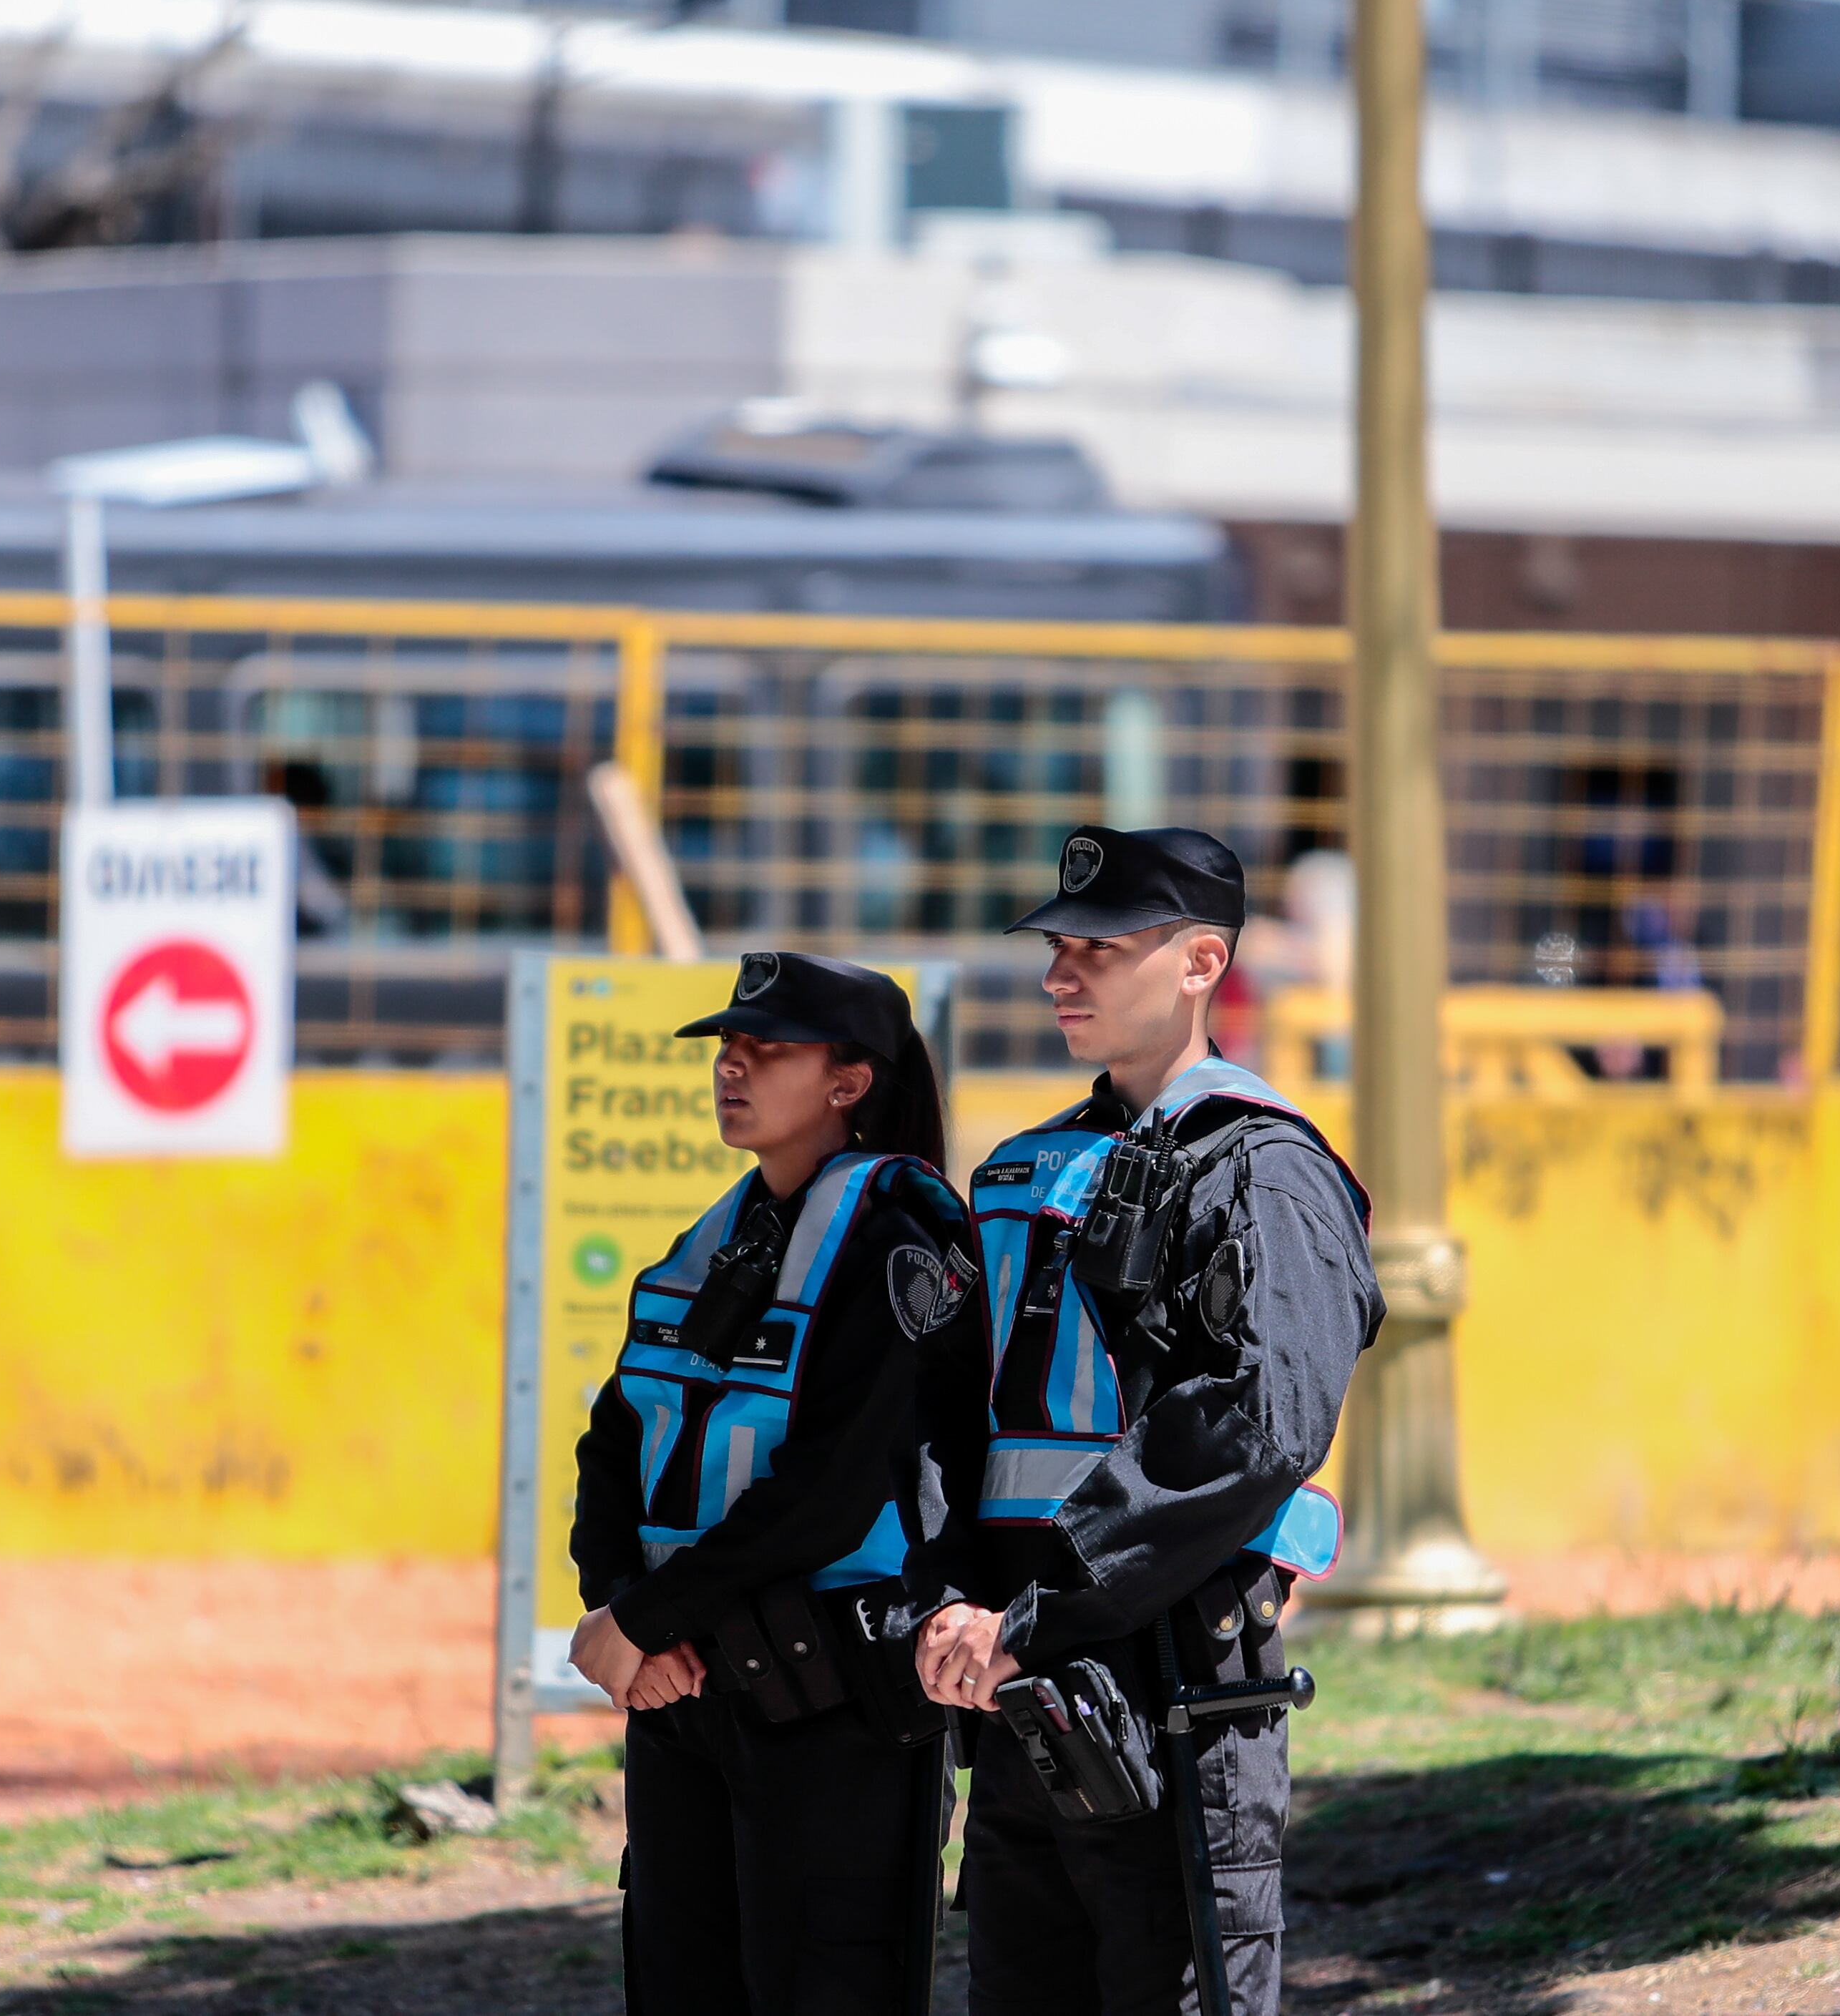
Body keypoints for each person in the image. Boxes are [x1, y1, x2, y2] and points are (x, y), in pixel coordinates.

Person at [896, 825, 1384, 2016]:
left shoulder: (1266, 1168)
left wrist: (1039, 1612)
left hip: (1169, 1686)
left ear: (1202, 961)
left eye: (1100, 950)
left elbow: (1263, 1422)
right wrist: (953, 1603)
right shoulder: (1019, 1169)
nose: (1062, 973)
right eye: (1058, 948)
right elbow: (950, 1415)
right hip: (1014, 1681)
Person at [565, 950, 979, 2016]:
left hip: (828, 1697)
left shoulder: (904, 1235)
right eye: (727, 1050)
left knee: (825, 1983)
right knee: (678, 1981)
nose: (732, 1068)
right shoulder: (719, 1235)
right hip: (686, 1690)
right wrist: (619, 1609)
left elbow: (830, 1488)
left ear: (849, 1083)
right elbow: (615, 1437)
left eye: (768, 1050)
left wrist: (650, 1616)